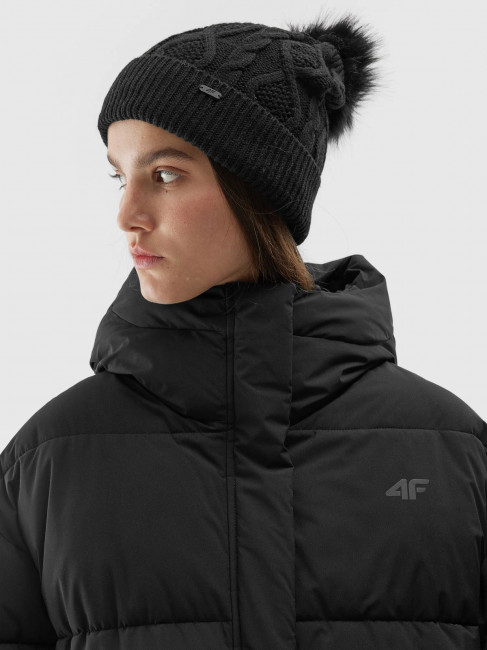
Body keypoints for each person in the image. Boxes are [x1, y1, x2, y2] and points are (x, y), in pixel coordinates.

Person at [1, 12, 486, 650]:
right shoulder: (45, 463)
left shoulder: (455, 454)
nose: (127, 215)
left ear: (257, 189)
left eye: (165, 175)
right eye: (120, 176)